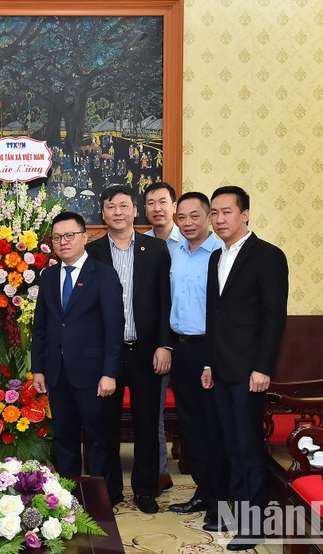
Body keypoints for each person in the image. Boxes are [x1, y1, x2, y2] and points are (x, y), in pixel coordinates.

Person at [206, 186, 288, 551]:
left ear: (245, 214)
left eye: (226, 212)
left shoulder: (268, 256)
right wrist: (208, 361)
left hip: (249, 371)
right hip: (221, 367)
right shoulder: (215, 257)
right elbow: (215, 316)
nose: (219, 219)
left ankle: (255, 525)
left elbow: (274, 318)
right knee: (227, 445)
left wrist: (262, 368)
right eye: (215, 213)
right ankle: (233, 512)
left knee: (249, 446)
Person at [86, 184, 172, 514]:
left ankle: (146, 488)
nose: (118, 212)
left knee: (147, 422)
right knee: (104, 424)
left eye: (124, 206)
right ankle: (110, 490)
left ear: (135, 210)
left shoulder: (156, 249)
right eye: (111, 207)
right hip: (108, 353)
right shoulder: (92, 253)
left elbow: (166, 301)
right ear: (103, 213)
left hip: (147, 351)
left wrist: (165, 345)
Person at [31, 212, 124, 503]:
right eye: (57, 237)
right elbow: (42, 326)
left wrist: (110, 373)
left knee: (98, 440)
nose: (63, 242)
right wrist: (38, 369)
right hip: (57, 373)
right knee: (64, 440)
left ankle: (100, 499)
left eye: (70, 235)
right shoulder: (48, 276)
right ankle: (67, 498)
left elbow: (114, 327)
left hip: (94, 375)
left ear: (85, 237)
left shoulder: (104, 275)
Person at [163, 193, 229, 527]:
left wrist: (211, 359)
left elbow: (225, 312)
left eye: (195, 216)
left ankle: (221, 501)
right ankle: (203, 491)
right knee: (191, 428)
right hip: (182, 348)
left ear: (208, 217)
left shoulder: (221, 254)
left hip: (211, 349)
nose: (188, 223)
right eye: (182, 217)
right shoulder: (172, 251)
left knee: (214, 426)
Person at [143, 181, 185, 495]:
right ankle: (159, 471)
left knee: (195, 408)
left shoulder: (191, 242)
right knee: (153, 409)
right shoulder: (139, 244)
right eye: (150, 203)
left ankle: (202, 471)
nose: (157, 208)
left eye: (162, 202)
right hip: (154, 340)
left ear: (173, 205)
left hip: (190, 337)